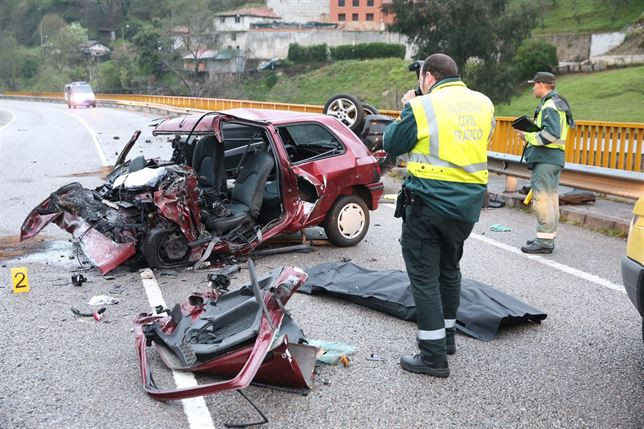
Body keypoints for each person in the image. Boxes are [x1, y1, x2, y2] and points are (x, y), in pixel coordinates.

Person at [383, 53, 495, 378]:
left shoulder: (422, 107)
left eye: (420, 77)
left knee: (424, 276)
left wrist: (408, 106)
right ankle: (446, 339)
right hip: (467, 207)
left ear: (429, 76)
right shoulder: (483, 104)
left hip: (428, 203)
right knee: (449, 269)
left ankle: (432, 357)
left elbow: (393, 142)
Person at [517, 72, 574, 254]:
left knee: (542, 200)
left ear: (541, 85)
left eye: (534, 85)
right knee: (551, 200)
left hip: (546, 159)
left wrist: (527, 136)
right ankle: (546, 237)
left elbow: (551, 135)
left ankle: (544, 242)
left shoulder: (549, 105)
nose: (533, 88)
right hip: (553, 159)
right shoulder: (557, 102)